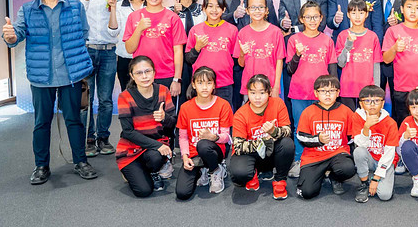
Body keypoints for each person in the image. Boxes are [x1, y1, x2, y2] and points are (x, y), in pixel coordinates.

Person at [2, 0, 97, 184]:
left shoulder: (75, 6)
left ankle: (81, 161)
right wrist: (11, 37)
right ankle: (41, 166)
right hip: (41, 76)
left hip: (71, 75)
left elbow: (84, 32)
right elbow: (18, 34)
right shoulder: (27, 9)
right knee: (41, 123)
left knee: (74, 120)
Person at [68, 0, 123, 157]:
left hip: (108, 50)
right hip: (86, 49)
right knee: (86, 99)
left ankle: (103, 137)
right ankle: (88, 139)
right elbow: (72, 18)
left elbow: (116, 24)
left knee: (106, 99)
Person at [286, 1, 337, 177]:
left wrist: (333, 91)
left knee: (322, 128)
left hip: (322, 95)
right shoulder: (294, 40)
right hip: (299, 92)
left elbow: (332, 68)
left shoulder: (327, 40)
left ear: (321, 18)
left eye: (315, 17)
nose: (312, 20)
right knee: (300, 128)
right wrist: (297, 55)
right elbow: (289, 70)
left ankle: (322, 160)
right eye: (308, 17)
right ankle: (299, 160)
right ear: (301, 19)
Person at [115, 56, 176, 197]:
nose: (144, 76)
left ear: (154, 72)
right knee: (143, 191)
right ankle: (133, 171)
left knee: (156, 157)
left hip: (155, 147)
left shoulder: (163, 90)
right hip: (131, 148)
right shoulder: (125, 97)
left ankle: (152, 171)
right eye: (139, 73)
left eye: (148, 71)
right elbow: (128, 132)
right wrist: (158, 146)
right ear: (132, 76)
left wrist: (165, 118)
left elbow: (173, 123)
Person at [123, 0, 187, 105]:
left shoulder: (173, 18)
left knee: (166, 115)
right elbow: (129, 49)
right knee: (143, 115)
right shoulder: (134, 17)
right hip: (141, 75)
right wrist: (139, 29)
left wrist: (177, 79)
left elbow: (178, 51)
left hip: (166, 75)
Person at [229, 74, 294, 200]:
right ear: (247, 93)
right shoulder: (240, 114)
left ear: (269, 92)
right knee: (239, 174)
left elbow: (287, 131)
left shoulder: (278, 104)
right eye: (253, 93)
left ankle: (280, 181)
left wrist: (274, 131)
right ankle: (252, 173)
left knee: (287, 144)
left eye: (262, 93)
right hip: (252, 154)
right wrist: (263, 142)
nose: (257, 97)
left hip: (271, 153)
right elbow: (238, 146)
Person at [223, 0, 279, 111]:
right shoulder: (228, 2)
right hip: (237, 63)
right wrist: (233, 16)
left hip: (265, 64)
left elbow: (274, 25)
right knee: (240, 104)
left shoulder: (267, 1)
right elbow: (220, 24)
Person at [175, 67, 234, 199]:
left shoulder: (223, 105)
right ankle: (202, 170)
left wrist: (213, 137)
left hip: (215, 151)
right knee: (182, 193)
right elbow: (183, 137)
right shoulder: (185, 107)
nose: (205, 87)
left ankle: (216, 169)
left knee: (203, 145)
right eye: (200, 83)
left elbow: (227, 137)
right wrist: (185, 157)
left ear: (214, 85)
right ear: (193, 85)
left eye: (209, 83)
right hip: (194, 154)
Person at [295, 75, 357, 199]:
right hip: (314, 157)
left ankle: (334, 177)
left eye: (332, 91)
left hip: (337, 154)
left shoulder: (346, 111)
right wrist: (318, 140)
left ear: (338, 93)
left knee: (348, 168)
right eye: (323, 91)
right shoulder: (308, 112)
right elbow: (301, 137)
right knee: (307, 193)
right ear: (316, 93)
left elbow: (353, 137)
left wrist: (348, 153)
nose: (327, 94)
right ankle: (320, 174)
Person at [278, 0, 328, 114]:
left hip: (315, 46)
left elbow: (321, 24)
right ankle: (292, 123)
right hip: (292, 47)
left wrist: (293, 28)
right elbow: (281, 18)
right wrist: (284, 23)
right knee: (290, 87)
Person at [383, 0, 418, 127]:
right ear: (402, 9)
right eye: (409, 7)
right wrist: (394, 48)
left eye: (417, 8)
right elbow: (386, 59)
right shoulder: (393, 31)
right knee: (404, 125)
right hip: (402, 88)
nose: (413, 11)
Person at [185, 0, 238, 106]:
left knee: (224, 115)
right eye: (210, 6)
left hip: (224, 84)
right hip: (201, 85)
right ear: (204, 8)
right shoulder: (195, 30)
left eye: (218, 6)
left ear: (224, 9)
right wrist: (197, 47)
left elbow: (236, 59)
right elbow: (189, 59)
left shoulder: (232, 30)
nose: (214, 10)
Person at [351, 85, 399, 203]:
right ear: (361, 104)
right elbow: (360, 144)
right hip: (370, 158)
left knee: (385, 195)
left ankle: (378, 176)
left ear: (382, 104)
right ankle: (364, 183)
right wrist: (366, 127)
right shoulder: (357, 117)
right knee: (358, 152)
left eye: (377, 101)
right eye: (367, 101)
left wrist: (377, 178)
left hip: (385, 161)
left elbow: (389, 154)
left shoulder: (390, 123)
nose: (372, 104)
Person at [234, 0, 285, 101]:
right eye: (253, 7)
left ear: (267, 10)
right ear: (247, 11)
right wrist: (242, 53)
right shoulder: (242, 33)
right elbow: (241, 64)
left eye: (261, 7)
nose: (257, 11)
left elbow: (279, 61)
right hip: (250, 86)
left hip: (270, 85)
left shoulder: (276, 32)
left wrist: (276, 86)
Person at [335, 0, 382, 111]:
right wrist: (348, 44)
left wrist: (376, 89)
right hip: (348, 88)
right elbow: (340, 63)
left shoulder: (372, 37)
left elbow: (376, 65)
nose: (357, 17)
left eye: (361, 13)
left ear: (366, 14)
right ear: (348, 14)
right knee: (349, 119)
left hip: (367, 89)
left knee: (367, 119)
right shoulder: (342, 35)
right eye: (353, 13)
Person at [170, 0, 206, 107]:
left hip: (199, 56)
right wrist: (175, 14)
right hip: (177, 58)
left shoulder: (203, 10)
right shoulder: (169, 11)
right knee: (179, 95)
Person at [108, 0, 146, 92]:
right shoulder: (119, 5)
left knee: (148, 94)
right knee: (127, 94)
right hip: (125, 57)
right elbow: (113, 32)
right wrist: (113, 8)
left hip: (148, 57)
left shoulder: (152, 6)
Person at [377, 0, 402, 110]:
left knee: (398, 98)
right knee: (376, 96)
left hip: (398, 57)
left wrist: (399, 24)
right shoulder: (374, 0)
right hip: (377, 56)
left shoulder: (406, 1)